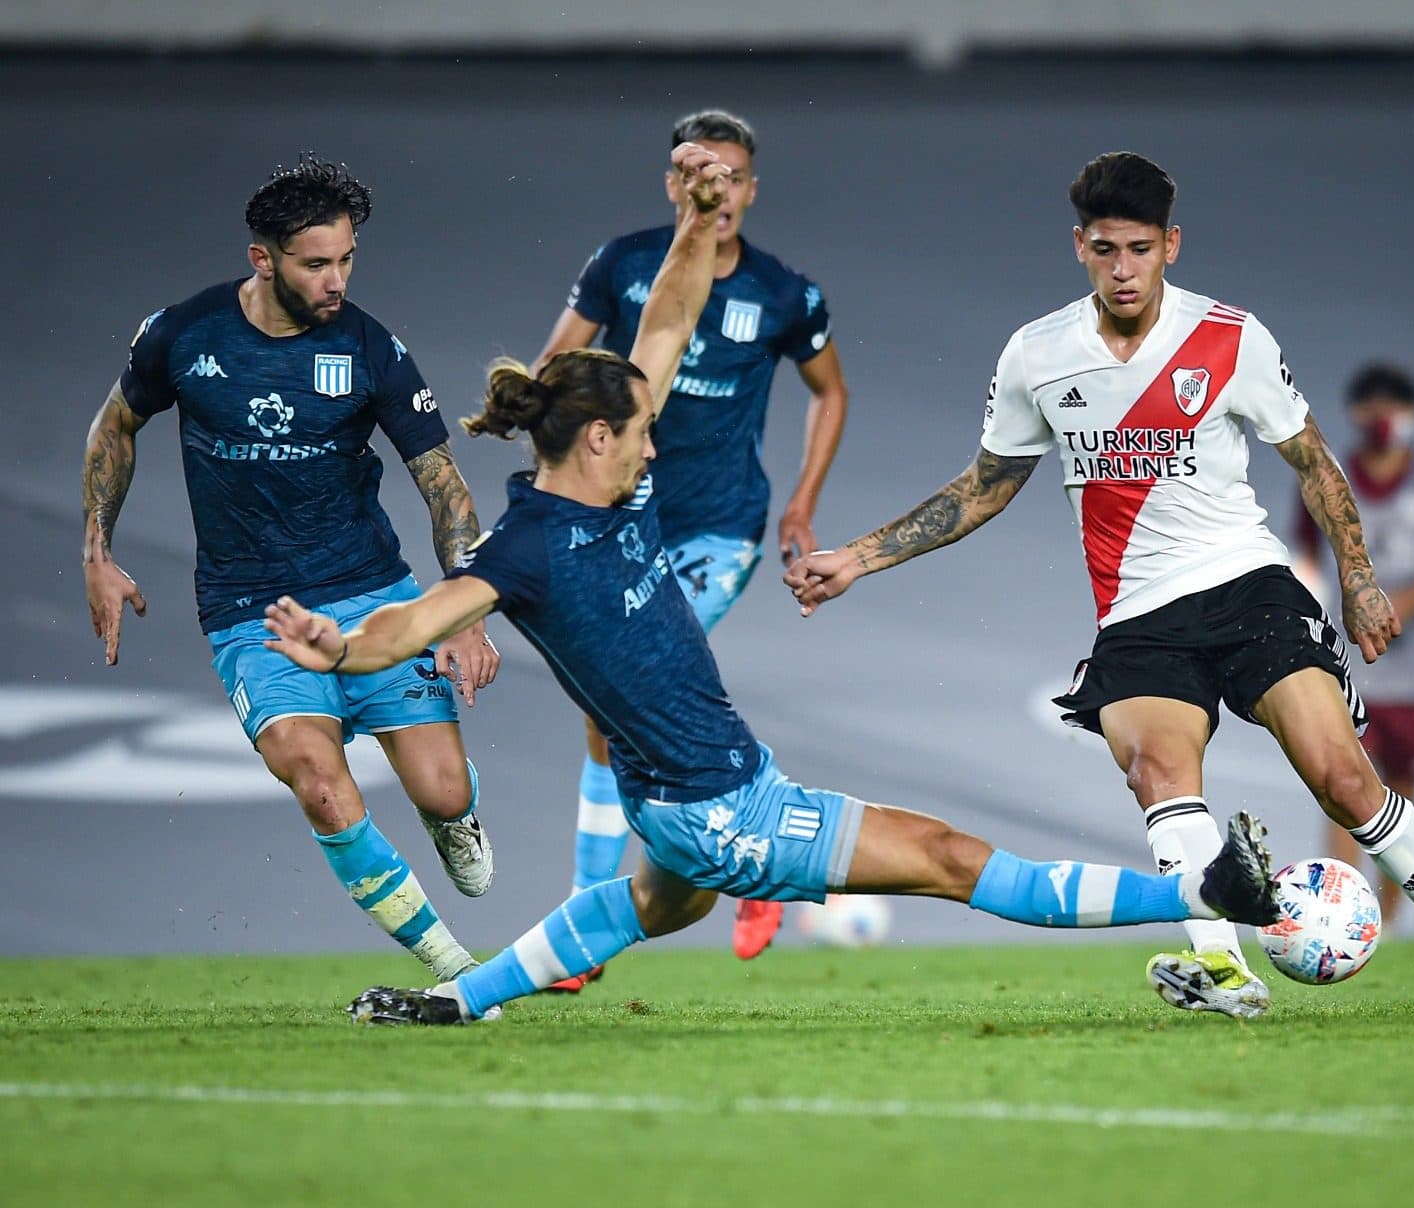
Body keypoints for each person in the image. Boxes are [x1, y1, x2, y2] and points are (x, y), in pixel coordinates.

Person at [262, 144, 1282, 1026]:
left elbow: (666, 315)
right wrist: (338, 648)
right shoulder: (526, 545)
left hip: (684, 798)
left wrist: (698, 227)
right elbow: (414, 623)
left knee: (654, 907)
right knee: (948, 857)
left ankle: (458, 998)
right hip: (723, 808)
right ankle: (1205, 887)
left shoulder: (614, 478)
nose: (658, 442)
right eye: (645, 429)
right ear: (600, 436)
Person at [785, 151, 1414, 1015]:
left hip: (1248, 587)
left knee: (1345, 780)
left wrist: (1357, 577)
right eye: (1105, 250)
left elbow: (1313, 461)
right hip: (1139, 616)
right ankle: (1225, 972)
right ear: (1079, 247)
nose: (1123, 269)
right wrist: (859, 559)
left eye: (1139, 248)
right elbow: (985, 485)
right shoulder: (1038, 355)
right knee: (1157, 773)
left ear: (1171, 244)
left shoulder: (1230, 337)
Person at [82, 154, 498, 981]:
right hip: (251, 612)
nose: (336, 279)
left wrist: (464, 608)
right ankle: (453, 964)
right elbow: (114, 427)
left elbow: (442, 483)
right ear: (262, 259)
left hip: (374, 597)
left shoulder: (372, 349)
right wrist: (97, 553)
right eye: (316, 263)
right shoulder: (184, 335)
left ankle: (456, 815)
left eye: (346, 258)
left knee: (444, 791)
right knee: (317, 777)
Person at [534, 110, 849, 970]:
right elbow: (554, 366)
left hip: (721, 528)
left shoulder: (784, 294)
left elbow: (831, 393)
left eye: (737, 176)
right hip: (621, 521)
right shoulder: (626, 266)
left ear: (751, 187)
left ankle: (583, 920)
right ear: (676, 184)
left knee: (629, 692)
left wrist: (800, 504)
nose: (722, 191)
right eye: (703, 174)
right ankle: (753, 871)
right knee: (634, 702)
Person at [1291, 364, 1414, 925]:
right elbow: (1303, 555)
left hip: (1411, 665)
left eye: (1391, 406)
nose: (1380, 418)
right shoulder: (1327, 479)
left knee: (1402, 794)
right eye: (1369, 406)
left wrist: (1403, 605)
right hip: (1346, 658)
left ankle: (1387, 923)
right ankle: (1332, 914)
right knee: (1343, 787)